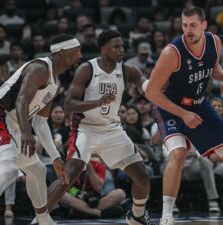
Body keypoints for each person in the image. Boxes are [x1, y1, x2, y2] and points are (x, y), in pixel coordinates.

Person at [145, 6, 223, 225]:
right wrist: (183, 114)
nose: (188, 30)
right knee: (179, 154)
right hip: (170, 108)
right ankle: (166, 216)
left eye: (192, 25)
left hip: (200, 106)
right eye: (184, 25)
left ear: (203, 25)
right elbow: (151, 92)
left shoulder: (215, 42)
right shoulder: (171, 52)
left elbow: (214, 68)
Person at [42, 29, 154, 225]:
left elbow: (148, 88)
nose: (121, 50)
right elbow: (68, 105)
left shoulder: (129, 70)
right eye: (116, 47)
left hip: (112, 129)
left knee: (142, 176)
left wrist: (158, 89)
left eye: (122, 46)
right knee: (69, 174)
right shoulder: (87, 69)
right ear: (103, 49)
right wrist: (97, 102)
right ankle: (40, 218)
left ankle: (137, 215)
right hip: (86, 128)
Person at [0, 34, 82, 225]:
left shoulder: (55, 83)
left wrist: (54, 157)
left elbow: (40, 122)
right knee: (10, 170)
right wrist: (26, 133)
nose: (80, 55)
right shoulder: (40, 68)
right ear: (62, 53)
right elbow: (21, 100)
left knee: (38, 170)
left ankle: (43, 219)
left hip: (13, 123)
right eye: (76, 51)